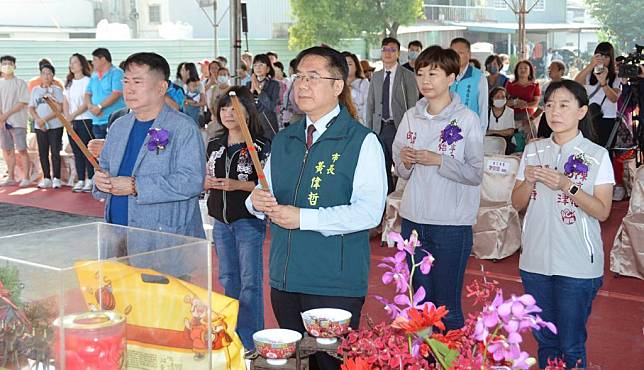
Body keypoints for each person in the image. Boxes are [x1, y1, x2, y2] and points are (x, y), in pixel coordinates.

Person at [247, 46, 387, 370]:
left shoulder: (361, 141)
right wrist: (255, 201)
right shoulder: (285, 139)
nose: (302, 85)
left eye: (314, 77)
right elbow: (262, 191)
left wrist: (302, 218)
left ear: (338, 86)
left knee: (331, 366)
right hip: (284, 278)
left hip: (333, 283)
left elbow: (369, 213)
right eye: (299, 77)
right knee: (293, 364)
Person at [511, 80, 613, 368]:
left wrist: (568, 185)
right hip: (534, 262)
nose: (554, 112)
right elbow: (517, 203)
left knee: (570, 343)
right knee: (545, 341)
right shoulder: (533, 150)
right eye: (550, 105)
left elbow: (603, 211)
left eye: (564, 105)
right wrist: (528, 179)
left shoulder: (596, 155)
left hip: (578, 266)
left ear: (582, 112)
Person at [392, 45, 483, 331]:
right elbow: (401, 168)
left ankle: (450, 360)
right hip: (414, 221)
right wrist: (404, 160)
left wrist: (439, 160)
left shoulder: (467, 119)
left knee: (446, 306)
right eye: (420, 74)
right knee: (418, 304)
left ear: (452, 77)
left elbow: (475, 173)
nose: (425, 81)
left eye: (434, 73)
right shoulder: (410, 116)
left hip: (451, 226)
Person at [92, 52, 205, 239]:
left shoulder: (183, 127)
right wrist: (100, 180)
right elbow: (104, 167)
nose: (129, 89)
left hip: (163, 235)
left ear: (161, 88)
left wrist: (136, 186)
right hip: (116, 230)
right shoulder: (119, 125)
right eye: (126, 82)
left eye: (137, 82)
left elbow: (191, 181)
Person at [205, 86, 269, 351]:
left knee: (250, 282)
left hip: (248, 221)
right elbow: (206, 177)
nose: (228, 114)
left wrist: (238, 186)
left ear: (247, 111)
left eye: (234, 108)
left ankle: (251, 340)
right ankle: (233, 335)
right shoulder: (214, 144)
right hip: (220, 221)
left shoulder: (260, 146)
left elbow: (266, 186)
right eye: (224, 108)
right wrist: (207, 182)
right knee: (228, 278)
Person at [366, 37, 419, 194]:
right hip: (380, 127)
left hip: (399, 128)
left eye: (392, 50)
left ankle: (403, 198)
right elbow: (370, 105)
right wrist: (370, 131)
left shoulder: (407, 75)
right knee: (381, 168)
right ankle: (387, 200)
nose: (388, 53)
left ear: (398, 54)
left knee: (403, 167)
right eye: (385, 49)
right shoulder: (376, 76)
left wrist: (412, 131)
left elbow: (413, 105)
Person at [574, 42, 621, 149]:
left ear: (611, 58)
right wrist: (591, 66)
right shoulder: (589, 74)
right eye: (600, 56)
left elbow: (614, 98)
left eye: (606, 56)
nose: (603, 60)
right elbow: (575, 84)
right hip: (590, 118)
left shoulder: (615, 76)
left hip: (607, 119)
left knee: (605, 150)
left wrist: (603, 83)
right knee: (586, 149)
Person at [29, 64, 65, 189]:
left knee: (55, 151)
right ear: (40, 75)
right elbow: (31, 107)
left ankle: (56, 178)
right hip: (40, 126)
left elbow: (59, 109)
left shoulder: (57, 90)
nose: (46, 76)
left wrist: (44, 119)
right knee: (42, 152)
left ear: (53, 75)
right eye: (44, 73)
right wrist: (39, 120)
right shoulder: (35, 90)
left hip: (56, 125)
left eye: (49, 73)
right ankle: (46, 177)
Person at [63, 53, 95, 192]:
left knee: (86, 150)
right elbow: (65, 101)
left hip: (85, 119)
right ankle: (81, 179)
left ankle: (90, 179)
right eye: (70, 62)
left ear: (81, 64)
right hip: (71, 122)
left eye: (75, 62)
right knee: (77, 151)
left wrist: (73, 115)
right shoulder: (69, 82)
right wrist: (67, 118)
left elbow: (86, 102)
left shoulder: (88, 81)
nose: (72, 65)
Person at [0, 55, 31, 187]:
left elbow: (22, 102)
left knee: (22, 149)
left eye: (10, 64)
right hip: (2, 122)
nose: (7, 66)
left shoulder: (21, 83)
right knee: (7, 150)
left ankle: (26, 177)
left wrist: (6, 114)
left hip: (17, 121)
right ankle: (11, 176)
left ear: (15, 66)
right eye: (4, 64)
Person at [85, 48, 126, 139]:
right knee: (99, 151)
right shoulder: (94, 76)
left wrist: (99, 107)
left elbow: (116, 93)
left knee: (115, 149)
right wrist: (91, 107)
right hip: (97, 121)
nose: (92, 63)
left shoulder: (117, 73)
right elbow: (87, 93)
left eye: (95, 59)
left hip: (114, 120)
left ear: (103, 59)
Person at [449, 37, 488, 134]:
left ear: (469, 55)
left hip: (470, 130)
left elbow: (483, 107)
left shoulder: (479, 77)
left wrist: (481, 134)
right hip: (448, 130)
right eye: (453, 53)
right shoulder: (445, 75)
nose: (456, 57)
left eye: (460, 53)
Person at [246, 54, 280, 140]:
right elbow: (245, 106)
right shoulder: (249, 85)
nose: (258, 68)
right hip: (252, 125)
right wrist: (251, 90)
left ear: (268, 69)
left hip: (268, 126)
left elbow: (271, 106)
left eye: (261, 65)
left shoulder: (274, 85)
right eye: (255, 65)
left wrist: (258, 89)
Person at [506, 60, 541, 142]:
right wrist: (514, 102)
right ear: (517, 71)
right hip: (511, 118)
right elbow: (505, 101)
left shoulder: (535, 86)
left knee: (529, 141)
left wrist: (525, 105)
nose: (523, 70)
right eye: (520, 68)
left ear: (530, 71)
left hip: (527, 119)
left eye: (525, 68)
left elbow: (536, 103)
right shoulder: (510, 85)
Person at [537, 60, 566, 138]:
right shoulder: (545, 86)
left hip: (563, 117)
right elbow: (541, 105)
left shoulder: (568, 86)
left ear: (561, 71)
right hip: (547, 117)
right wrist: (533, 117)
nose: (549, 70)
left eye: (552, 68)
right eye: (549, 68)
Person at [342, 51, 370, 125]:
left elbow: (367, 106)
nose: (347, 67)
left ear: (356, 66)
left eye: (350, 64)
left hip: (360, 123)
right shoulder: (337, 84)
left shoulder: (364, 83)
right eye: (344, 64)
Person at [487, 86, 516, 154]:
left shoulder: (509, 111)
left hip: (505, 143)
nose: (500, 99)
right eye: (497, 97)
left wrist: (492, 132)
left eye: (503, 97)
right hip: (488, 142)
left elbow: (510, 131)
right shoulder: (487, 111)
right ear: (492, 98)